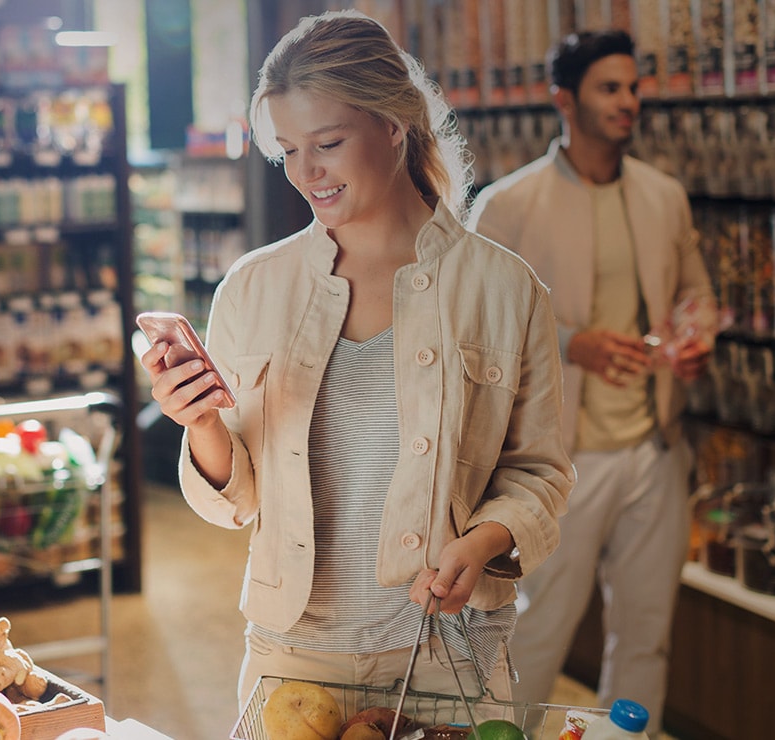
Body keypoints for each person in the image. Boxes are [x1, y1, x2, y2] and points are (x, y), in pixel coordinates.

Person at [139, 10, 573, 711]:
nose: (306, 172)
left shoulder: (504, 288)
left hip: (447, 653)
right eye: (288, 151)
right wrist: (201, 423)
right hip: (293, 655)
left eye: (328, 143)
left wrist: (481, 542)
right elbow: (237, 500)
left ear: (393, 125)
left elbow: (539, 474)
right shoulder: (253, 287)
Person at [466, 29, 717, 732]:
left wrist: (695, 340)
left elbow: (696, 294)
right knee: (535, 630)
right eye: (610, 88)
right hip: (557, 464)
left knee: (645, 636)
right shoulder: (508, 205)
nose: (627, 101)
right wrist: (574, 344)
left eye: (633, 87)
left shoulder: (664, 196)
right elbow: (473, 328)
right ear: (565, 101)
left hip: (655, 450)